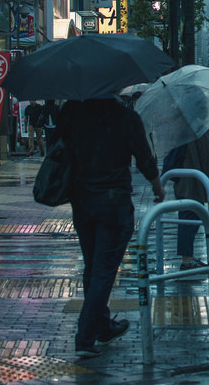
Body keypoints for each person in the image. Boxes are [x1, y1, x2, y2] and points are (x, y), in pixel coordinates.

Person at [57, 97, 165, 359]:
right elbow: (143, 156)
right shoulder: (125, 117)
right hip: (113, 203)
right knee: (103, 272)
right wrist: (156, 185)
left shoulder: (71, 111)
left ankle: (103, 327)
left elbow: (58, 149)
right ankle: (85, 337)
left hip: (82, 202)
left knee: (94, 267)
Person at [163, 133, 209, 271]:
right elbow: (206, 160)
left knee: (187, 218)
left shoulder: (182, 130)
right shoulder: (198, 133)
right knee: (190, 220)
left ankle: (188, 257)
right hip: (193, 183)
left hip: (183, 181)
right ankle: (186, 260)